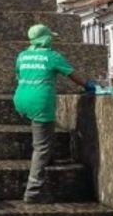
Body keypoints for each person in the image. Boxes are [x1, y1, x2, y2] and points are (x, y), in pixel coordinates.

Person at [13, 23, 96, 203]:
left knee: (43, 136)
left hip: (21, 99)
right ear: (46, 39)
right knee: (41, 147)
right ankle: (32, 192)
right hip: (40, 102)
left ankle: (48, 159)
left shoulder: (22, 55)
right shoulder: (52, 56)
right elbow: (72, 75)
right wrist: (88, 85)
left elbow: (19, 75)